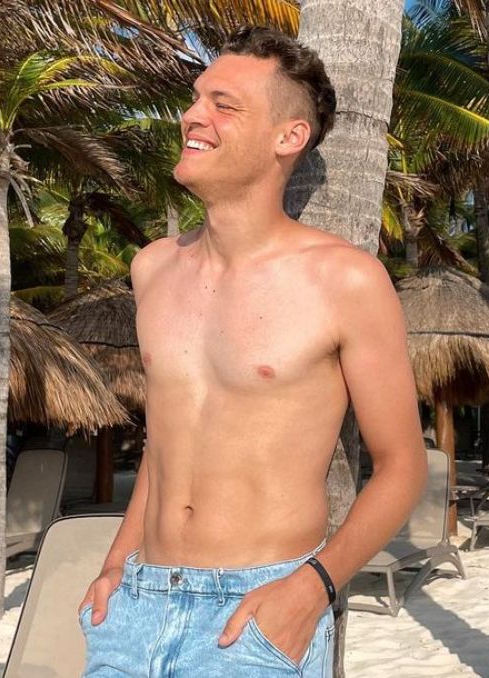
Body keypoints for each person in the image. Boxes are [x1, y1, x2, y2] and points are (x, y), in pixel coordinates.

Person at [78, 26, 427, 677]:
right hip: (136, 607)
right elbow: (166, 441)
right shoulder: (152, 269)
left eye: (224, 105)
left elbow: (402, 466)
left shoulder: (345, 281)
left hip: (255, 615)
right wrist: (116, 565)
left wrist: (310, 591)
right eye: (196, 98)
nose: (192, 116)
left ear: (287, 137)